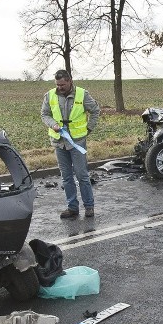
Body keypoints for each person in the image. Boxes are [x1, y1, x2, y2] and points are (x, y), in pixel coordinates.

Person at [41, 69, 100, 219]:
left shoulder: (82, 94)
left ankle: (89, 206)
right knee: (66, 177)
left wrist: (89, 128)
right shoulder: (50, 95)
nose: (59, 87)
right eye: (57, 84)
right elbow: (45, 114)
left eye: (62, 84)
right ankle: (72, 207)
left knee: (82, 175)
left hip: (77, 142)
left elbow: (95, 110)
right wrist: (53, 124)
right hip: (59, 143)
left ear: (69, 81)